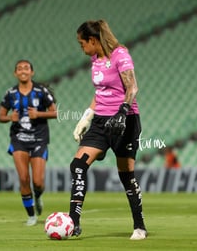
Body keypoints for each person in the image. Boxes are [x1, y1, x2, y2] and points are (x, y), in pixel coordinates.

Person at [70, 20, 147, 240]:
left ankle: (139, 226)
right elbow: (101, 92)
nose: (81, 47)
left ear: (93, 41)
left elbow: (132, 87)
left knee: (126, 176)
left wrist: (122, 111)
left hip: (125, 122)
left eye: (82, 43)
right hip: (100, 122)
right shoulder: (95, 60)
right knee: (77, 165)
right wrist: (87, 115)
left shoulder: (120, 55)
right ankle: (73, 223)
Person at [0, 59, 57, 226]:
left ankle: (37, 196)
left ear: (32, 72)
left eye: (26, 68)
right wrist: (10, 117)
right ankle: (31, 215)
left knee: (37, 182)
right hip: (19, 140)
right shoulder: (10, 94)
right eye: (19, 68)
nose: (23, 70)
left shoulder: (41, 91)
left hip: (39, 139)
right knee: (24, 178)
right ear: (15, 73)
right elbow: (1, 116)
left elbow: (55, 113)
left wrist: (38, 114)